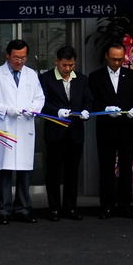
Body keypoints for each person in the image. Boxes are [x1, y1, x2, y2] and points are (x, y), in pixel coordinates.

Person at [0, 39, 45, 224]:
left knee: (24, 172)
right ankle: (3, 209)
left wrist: (32, 109)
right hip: (6, 127)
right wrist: (6, 109)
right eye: (16, 57)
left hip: (25, 127)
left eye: (24, 57)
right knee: (4, 170)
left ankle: (23, 208)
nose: (20, 61)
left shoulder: (31, 75)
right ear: (8, 55)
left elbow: (39, 98)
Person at [88, 42, 133, 218]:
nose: (117, 63)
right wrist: (105, 108)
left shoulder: (132, 75)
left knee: (126, 166)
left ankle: (125, 204)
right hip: (106, 127)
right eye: (114, 59)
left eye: (120, 59)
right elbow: (91, 101)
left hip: (127, 127)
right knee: (106, 167)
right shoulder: (96, 77)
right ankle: (107, 205)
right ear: (106, 56)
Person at [40, 46, 93, 221]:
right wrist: (57, 111)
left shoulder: (82, 79)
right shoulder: (46, 78)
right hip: (55, 131)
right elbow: (41, 104)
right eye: (64, 65)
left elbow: (88, 100)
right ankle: (54, 207)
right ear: (56, 62)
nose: (68, 68)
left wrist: (86, 111)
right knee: (54, 171)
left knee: (72, 171)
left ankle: (70, 207)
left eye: (71, 65)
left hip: (76, 132)